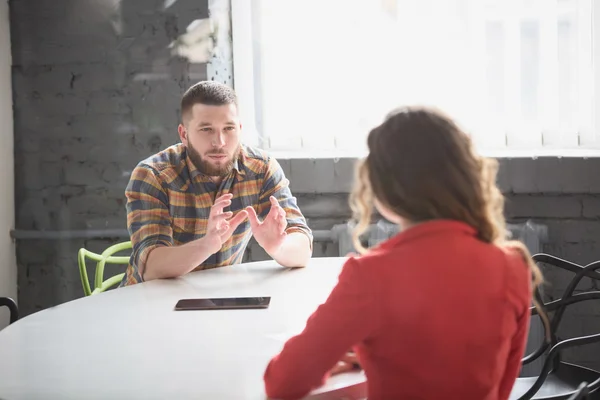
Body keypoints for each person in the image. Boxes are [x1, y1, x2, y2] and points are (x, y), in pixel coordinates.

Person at [263, 107, 548, 400]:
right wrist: (383, 349)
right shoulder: (514, 265)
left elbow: (281, 383)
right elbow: (497, 388)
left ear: (385, 187)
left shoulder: (370, 275)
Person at [120, 81, 312, 286]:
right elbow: (151, 267)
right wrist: (206, 245)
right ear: (184, 134)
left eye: (228, 128)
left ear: (239, 129)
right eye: (206, 129)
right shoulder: (154, 175)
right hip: (147, 301)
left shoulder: (261, 168)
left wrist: (278, 247)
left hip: (217, 298)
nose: (219, 142)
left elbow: (302, 247)